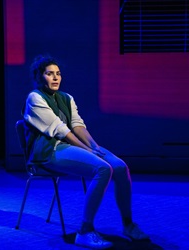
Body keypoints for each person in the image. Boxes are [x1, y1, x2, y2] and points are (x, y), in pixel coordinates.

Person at [22, 55, 149, 249]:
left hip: (70, 147)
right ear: (40, 76)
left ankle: (128, 225)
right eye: (49, 74)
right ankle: (85, 231)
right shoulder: (35, 97)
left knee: (121, 167)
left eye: (58, 74)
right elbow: (61, 131)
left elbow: (77, 125)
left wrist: (95, 147)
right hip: (49, 151)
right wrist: (88, 150)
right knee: (103, 169)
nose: (55, 78)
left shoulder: (66, 98)